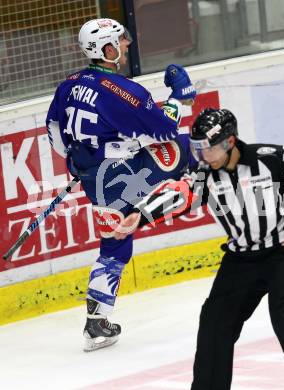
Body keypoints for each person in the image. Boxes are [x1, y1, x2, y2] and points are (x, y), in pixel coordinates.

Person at [119, 108, 284, 390]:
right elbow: (179, 195)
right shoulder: (204, 176)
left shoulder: (270, 158)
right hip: (240, 259)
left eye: (209, 149)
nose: (204, 157)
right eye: (198, 149)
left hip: (283, 250)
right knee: (214, 323)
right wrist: (140, 215)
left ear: (230, 142)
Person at [45, 18, 197, 352]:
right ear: (108, 49)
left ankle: (97, 324)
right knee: (187, 150)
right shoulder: (125, 91)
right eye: (121, 41)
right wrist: (179, 97)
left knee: (115, 240)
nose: (127, 45)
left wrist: (81, 160)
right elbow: (163, 131)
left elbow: (55, 132)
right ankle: (187, 198)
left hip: (93, 178)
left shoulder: (68, 84)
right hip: (119, 173)